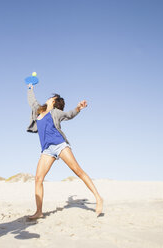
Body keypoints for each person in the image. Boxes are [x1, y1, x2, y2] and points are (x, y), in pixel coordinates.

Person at [26, 84, 103, 219]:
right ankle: (39, 212)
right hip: (47, 150)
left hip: (60, 145)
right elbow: (32, 101)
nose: (49, 99)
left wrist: (79, 108)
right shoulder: (39, 111)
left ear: (54, 102)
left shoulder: (56, 113)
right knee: (38, 179)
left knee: (78, 171)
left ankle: (98, 198)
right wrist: (30, 88)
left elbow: (69, 114)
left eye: (51, 98)